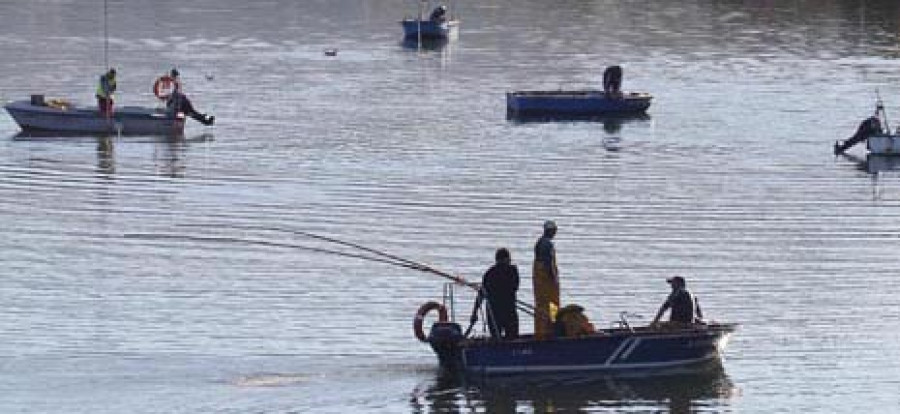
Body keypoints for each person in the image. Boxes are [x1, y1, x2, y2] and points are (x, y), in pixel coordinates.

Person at [470, 248, 520, 339]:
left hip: (495, 311)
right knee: (512, 336)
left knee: (497, 337)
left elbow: (481, 294)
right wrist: (475, 311)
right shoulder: (512, 271)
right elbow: (515, 288)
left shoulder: (489, 273)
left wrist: (474, 312)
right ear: (506, 259)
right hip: (506, 310)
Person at [533, 220, 560, 339]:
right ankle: (551, 330)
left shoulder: (539, 242)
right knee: (552, 305)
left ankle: (541, 332)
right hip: (547, 282)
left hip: (539, 282)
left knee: (541, 306)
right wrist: (553, 278)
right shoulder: (547, 244)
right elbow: (549, 264)